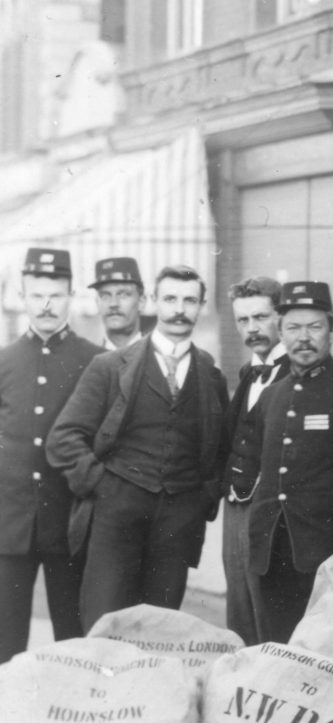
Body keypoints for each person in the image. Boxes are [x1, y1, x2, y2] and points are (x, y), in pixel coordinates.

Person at [47, 265, 229, 631]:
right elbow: (63, 438)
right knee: (104, 629)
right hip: (116, 519)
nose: (180, 309)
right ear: (152, 302)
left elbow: (219, 450)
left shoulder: (210, 375)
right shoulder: (111, 367)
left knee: (160, 636)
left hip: (177, 524)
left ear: (202, 306)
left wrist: (200, 500)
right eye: (171, 299)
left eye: (189, 301)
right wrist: (104, 486)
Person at [227, 281, 333, 644]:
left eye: (314, 326)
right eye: (293, 327)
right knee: (275, 653)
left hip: (327, 558)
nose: (303, 338)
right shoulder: (273, 395)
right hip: (270, 555)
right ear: (280, 330)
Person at [0, 249, 101, 660]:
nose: (45, 305)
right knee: (5, 644)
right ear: (21, 297)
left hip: (69, 525)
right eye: (36, 295)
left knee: (72, 643)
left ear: (71, 297)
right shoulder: (4, 362)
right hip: (10, 527)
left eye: (55, 296)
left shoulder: (95, 361)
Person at [221, 277, 286, 641]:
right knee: (239, 613)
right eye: (243, 321)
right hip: (235, 508)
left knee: (270, 615)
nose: (252, 329)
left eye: (261, 317)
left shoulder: (297, 372)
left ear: (281, 316)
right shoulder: (248, 372)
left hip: (270, 512)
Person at [89, 257, 145, 350]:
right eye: (105, 296)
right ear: (97, 303)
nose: (113, 303)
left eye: (123, 295)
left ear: (141, 302)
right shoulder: (87, 361)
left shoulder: (160, 358)